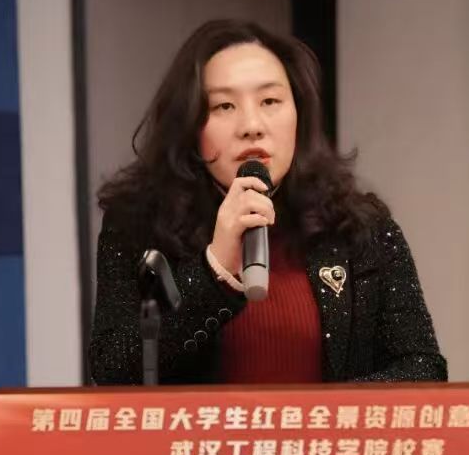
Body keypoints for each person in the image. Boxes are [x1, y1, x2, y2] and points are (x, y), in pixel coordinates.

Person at [89, 19, 447, 385]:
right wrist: (214, 269)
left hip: (320, 426)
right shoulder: (137, 227)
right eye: (224, 106)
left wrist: (313, 413)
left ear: (299, 115)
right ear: (190, 126)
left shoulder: (360, 228)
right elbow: (115, 373)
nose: (252, 125)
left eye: (270, 101)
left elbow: (422, 368)